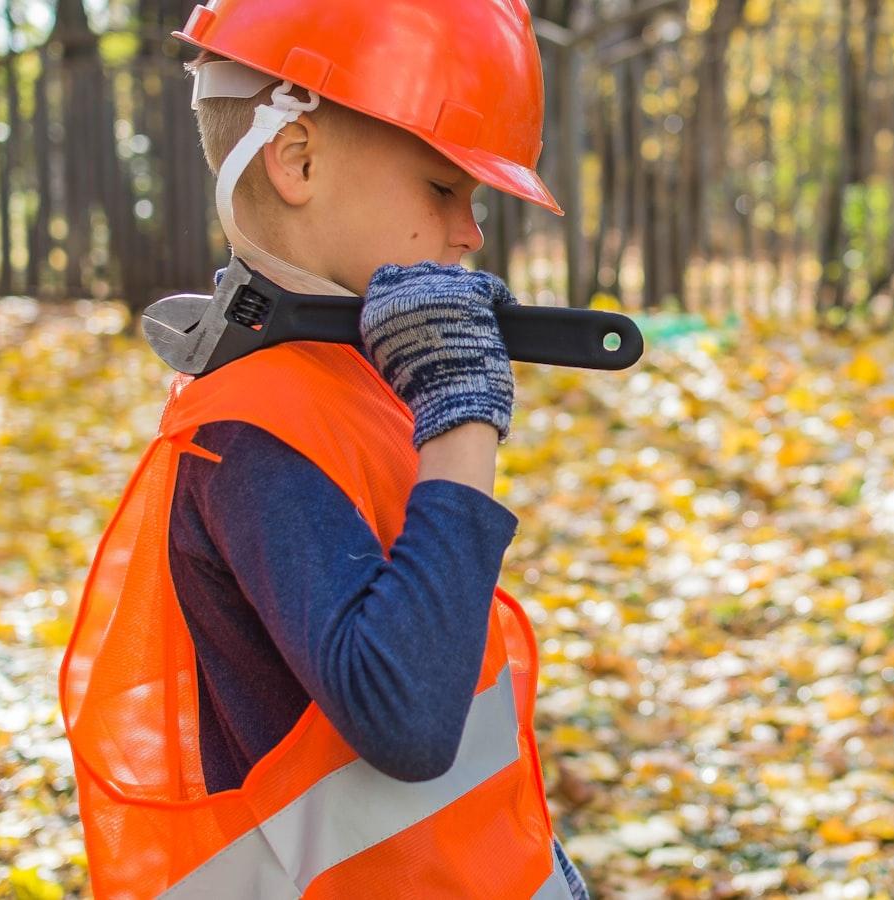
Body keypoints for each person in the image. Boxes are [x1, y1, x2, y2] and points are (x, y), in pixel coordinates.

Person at [56, 1, 589, 896]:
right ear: (296, 159)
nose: (472, 232)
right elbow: (410, 719)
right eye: (443, 188)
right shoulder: (252, 430)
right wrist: (462, 419)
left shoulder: (344, 384)